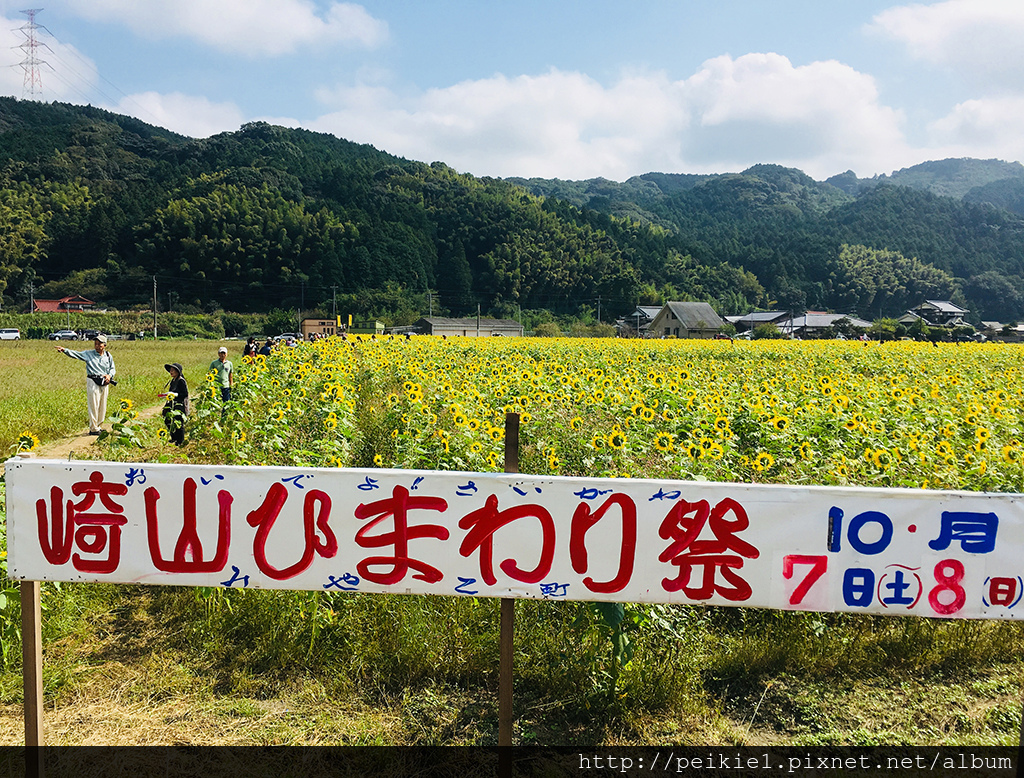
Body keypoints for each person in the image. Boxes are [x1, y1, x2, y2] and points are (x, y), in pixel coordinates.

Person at [56, 334, 116, 435]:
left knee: (102, 405)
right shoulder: (89, 354)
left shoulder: (108, 356)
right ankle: (93, 428)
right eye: (96, 344)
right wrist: (64, 350)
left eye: (99, 344)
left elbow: (112, 368)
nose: (97, 346)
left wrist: (109, 376)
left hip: (104, 382)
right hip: (93, 380)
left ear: (104, 345)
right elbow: (76, 354)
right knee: (94, 404)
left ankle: (99, 426)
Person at [160, 363, 189, 446]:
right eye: (170, 370)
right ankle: (174, 437)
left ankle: (180, 441)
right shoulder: (173, 381)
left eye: (173, 370)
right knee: (168, 420)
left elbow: (184, 394)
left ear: (177, 372)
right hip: (172, 403)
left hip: (180, 404)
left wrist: (175, 395)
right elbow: (170, 393)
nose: (171, 372)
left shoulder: (181, 381)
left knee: (178, 422)